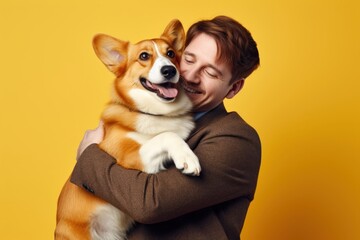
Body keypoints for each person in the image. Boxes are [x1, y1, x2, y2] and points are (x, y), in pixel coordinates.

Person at [71, 15, 261, 239]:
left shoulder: (236, 139)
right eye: (188, 59)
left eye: (210, 72)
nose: (189, 76)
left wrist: (89, 156)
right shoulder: (148, 116)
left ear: (233, 88)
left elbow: (150, 203)